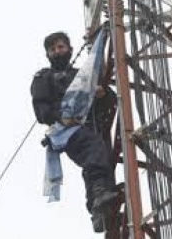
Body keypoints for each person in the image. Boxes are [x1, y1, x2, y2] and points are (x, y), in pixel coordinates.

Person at [30, 31, 118, 232]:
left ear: (69, 50)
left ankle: (99, 208)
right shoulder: (44, 77)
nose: (57, 51)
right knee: (93, 148)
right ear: (48, 55)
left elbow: (109, 102)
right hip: (64, 132)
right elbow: (41, 110)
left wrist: (102, 93)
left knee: (96, 156)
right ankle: (100, 194)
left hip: (87, 127)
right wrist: (61, 117)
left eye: (60, 47)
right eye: (52, 49)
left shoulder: (83, 75)